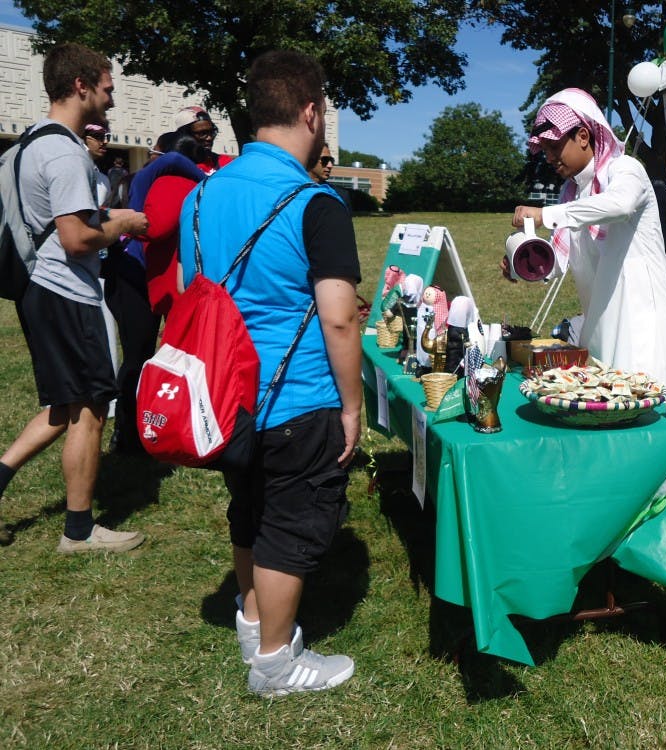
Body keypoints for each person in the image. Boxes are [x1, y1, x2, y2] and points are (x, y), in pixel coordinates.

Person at [177, 49, 361, 696]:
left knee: (249, 506)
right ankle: (276, 665)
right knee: (292, 522)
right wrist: (353, 405)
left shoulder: (198, 197)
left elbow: (189, 292)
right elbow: (340, 319)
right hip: (297, 396)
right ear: (311, 112)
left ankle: (255, 621)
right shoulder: (318, 204)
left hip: (220, 397)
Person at [0, 43, 148, 550]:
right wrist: (124, 222)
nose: (112, 97)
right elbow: (76, 237)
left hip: (40, 288)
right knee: (90, 408)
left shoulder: (29, 144)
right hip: (67, 291)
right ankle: (79, 532)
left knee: (66, 403)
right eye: (107, 87)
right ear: (81, 85)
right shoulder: (64, 151)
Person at [508, 88, 666, 397]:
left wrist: (545, 213)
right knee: (608, 415)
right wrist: (520, 263)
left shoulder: (626, 170)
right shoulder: (571, 194)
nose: (548, 157)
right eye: (544, 148)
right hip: (601, 322)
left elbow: (619, 205)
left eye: (554, 146)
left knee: (646, 414)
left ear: (583, 136)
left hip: (642, 321)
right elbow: (556, 263)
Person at [104, 131, 206, 455]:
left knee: (142, 358)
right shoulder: (174, 180)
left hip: (139, 278)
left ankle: (137, 430)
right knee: (145, 359)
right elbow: (158, 225)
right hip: (142, 280)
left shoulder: (152, 176)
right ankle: (134, 432)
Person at [83, 120, 122, 421]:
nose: (104, 141)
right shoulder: (74, 168)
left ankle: (107, 398)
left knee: (105, 327)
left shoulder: (102, 177)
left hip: (100, 263)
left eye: (105, 135)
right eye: (98, 135)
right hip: (72, 264)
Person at [174, 105, 233, 174]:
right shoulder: (176, 166)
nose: (209, 138)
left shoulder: (225, 163)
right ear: (184, 135)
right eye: (202, 133)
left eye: (211, 132)